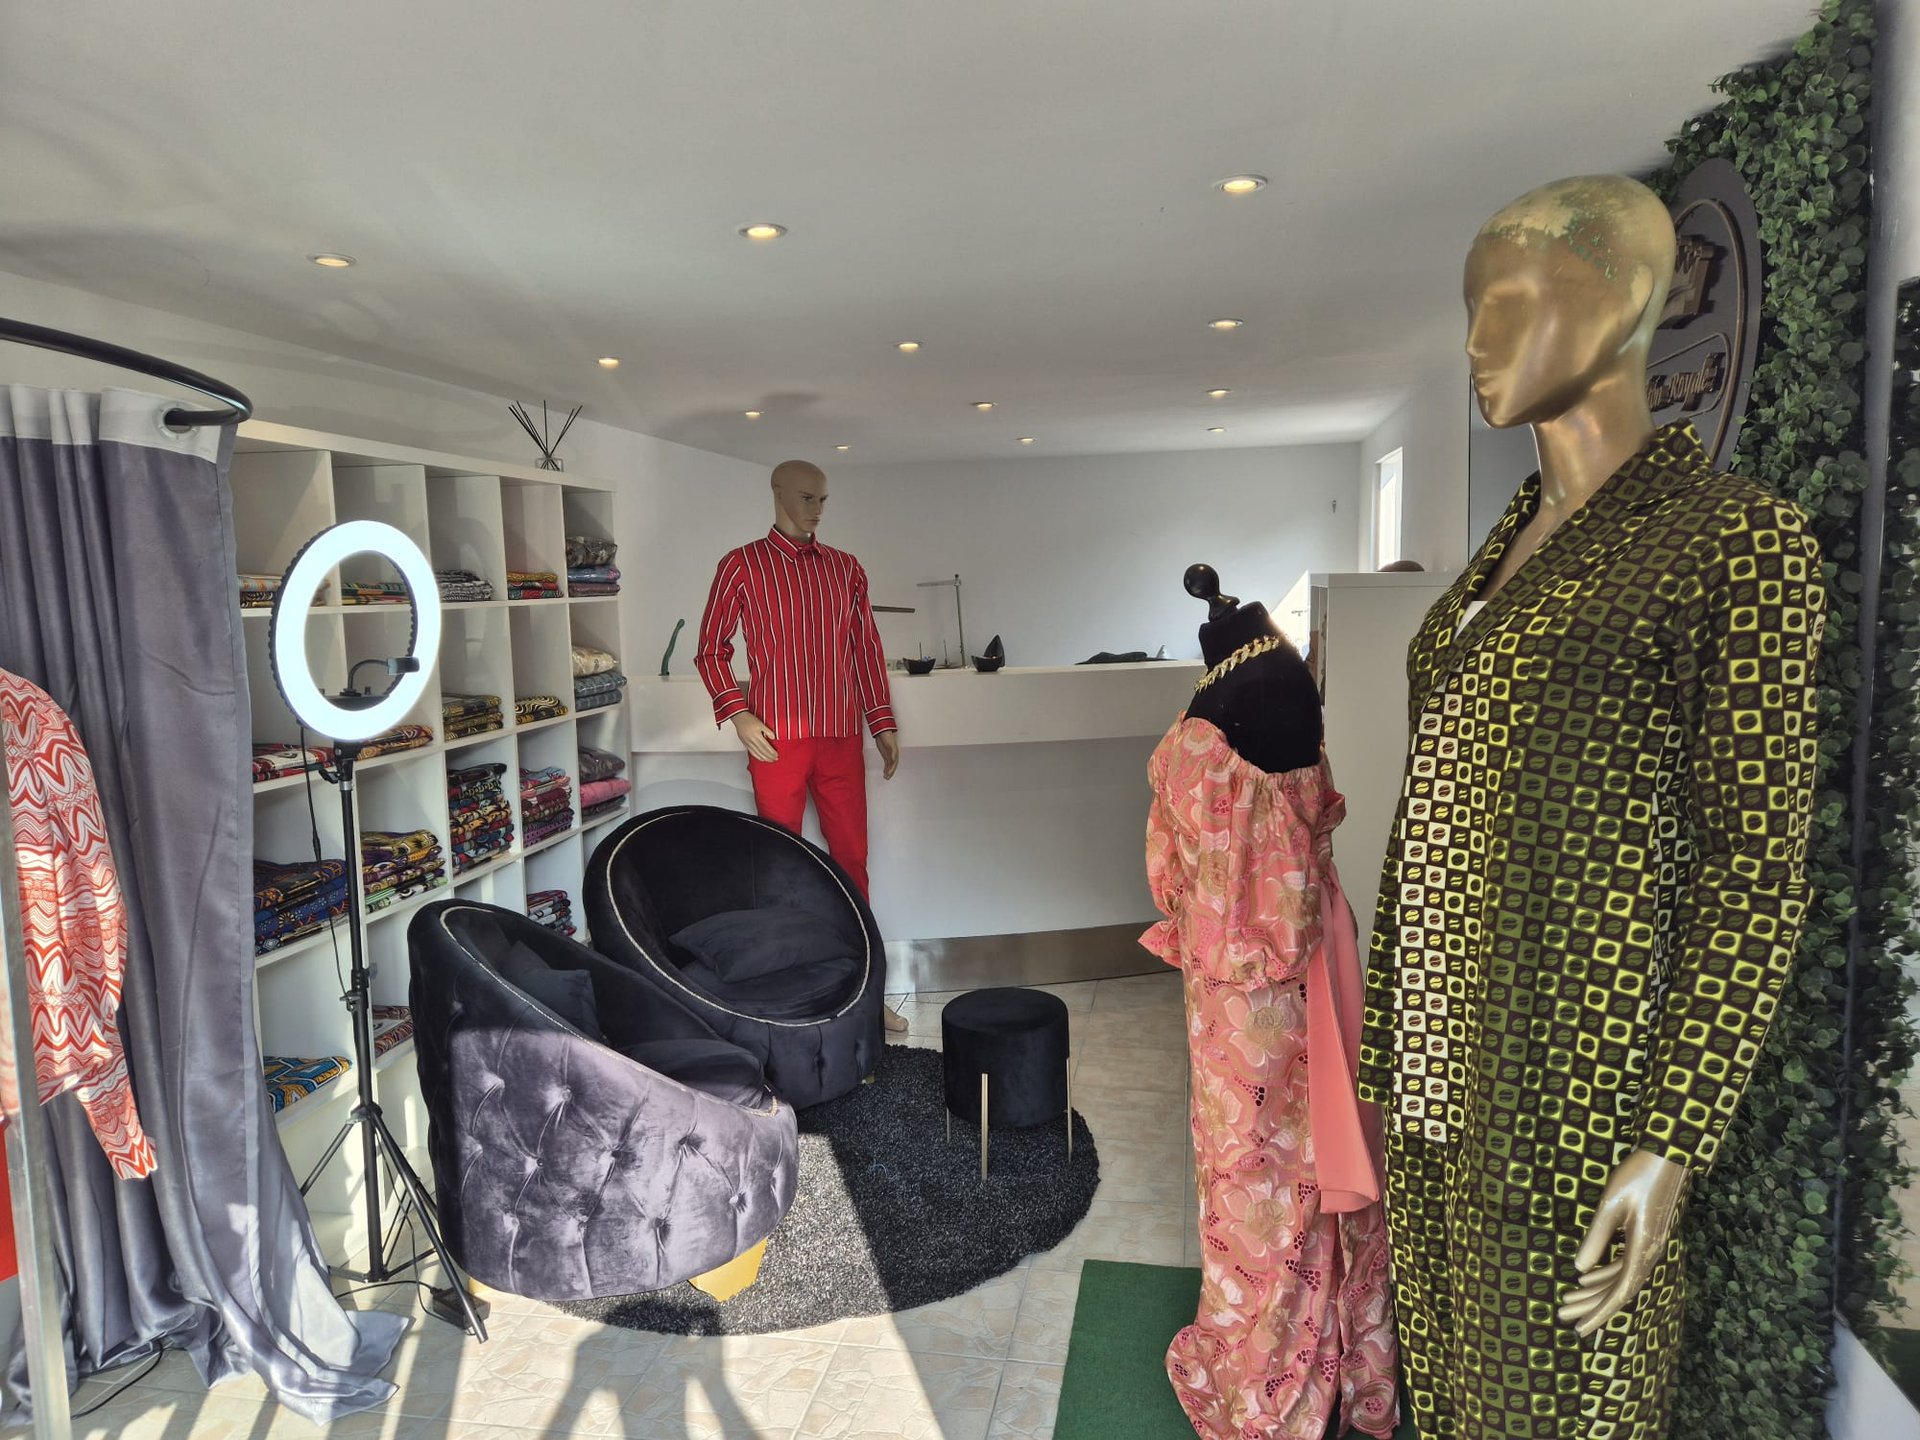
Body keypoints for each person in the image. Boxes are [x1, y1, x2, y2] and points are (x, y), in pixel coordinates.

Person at [696, 459, 908, 1034]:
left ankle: (866, 994)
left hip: (840, 735)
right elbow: (711, 648)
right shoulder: (741, 565)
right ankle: (786, 999)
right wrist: (738, 713)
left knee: (852, 862)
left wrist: (881, 722)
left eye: (823, 500)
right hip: (777, 739)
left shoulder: (846, 568)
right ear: (779, 494)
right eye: (808, 497)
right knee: (777, 865)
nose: (817, 509)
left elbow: (865, 649)